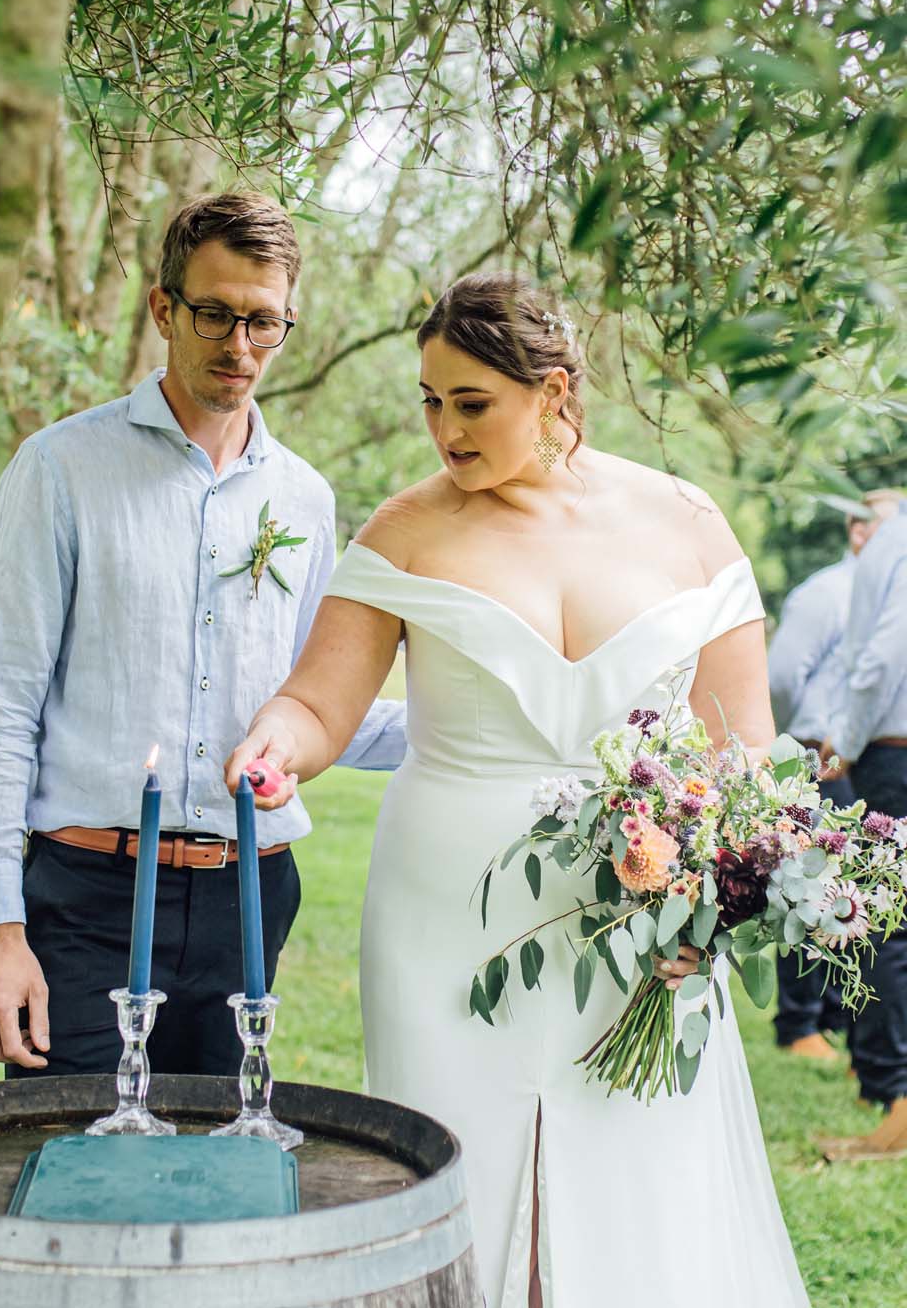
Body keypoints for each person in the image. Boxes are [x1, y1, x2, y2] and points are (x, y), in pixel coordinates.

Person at [225, 274, 809, 1308]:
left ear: (551, 391)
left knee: (639, 1171)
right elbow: (316, 704)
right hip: (448, 916)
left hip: (642, 912)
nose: (444, 429)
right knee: (463, 1156)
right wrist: (273, 748)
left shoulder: (685, 520)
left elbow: (742, 754)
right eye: (430, 401)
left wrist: (716, 906)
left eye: (471, 403)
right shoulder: (405, 531)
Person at [0, 191, 405, 1079]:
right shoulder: (59, 470)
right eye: (215, 314)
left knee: (219, 1186)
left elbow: (323, 707)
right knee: (80, 1179)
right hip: (87, 903)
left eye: (264, 323)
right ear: (164, 309)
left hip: (250, 898)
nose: (240, 347)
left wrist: (499, 731)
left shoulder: (306, 501)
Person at [767, 501, 885, 1057]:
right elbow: (783, 675)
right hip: (819, 756)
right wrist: (802, 738)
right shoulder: (825, 593)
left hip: (863, 758)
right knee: (809, 884)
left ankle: (838, 1013)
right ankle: (798, 1023)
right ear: (858, 531)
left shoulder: (883, 596)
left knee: (855, 891)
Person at [819, 489, 907, 1159]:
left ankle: (894, 1102)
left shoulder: (893, 540)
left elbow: (882, 655)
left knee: (885, 925)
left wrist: (842, 739)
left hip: (892, 753)